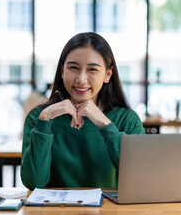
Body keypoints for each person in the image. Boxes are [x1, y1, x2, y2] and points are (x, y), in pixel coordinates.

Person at [21, 32, 145, 190]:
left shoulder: (126, 120)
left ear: (107, 75)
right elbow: (33, 183)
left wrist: (105, 125)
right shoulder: (38, 118)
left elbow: (140, 176)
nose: (81, 79)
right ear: (61, 71)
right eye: (73, 68)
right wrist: (44, 121)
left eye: (92, 70)